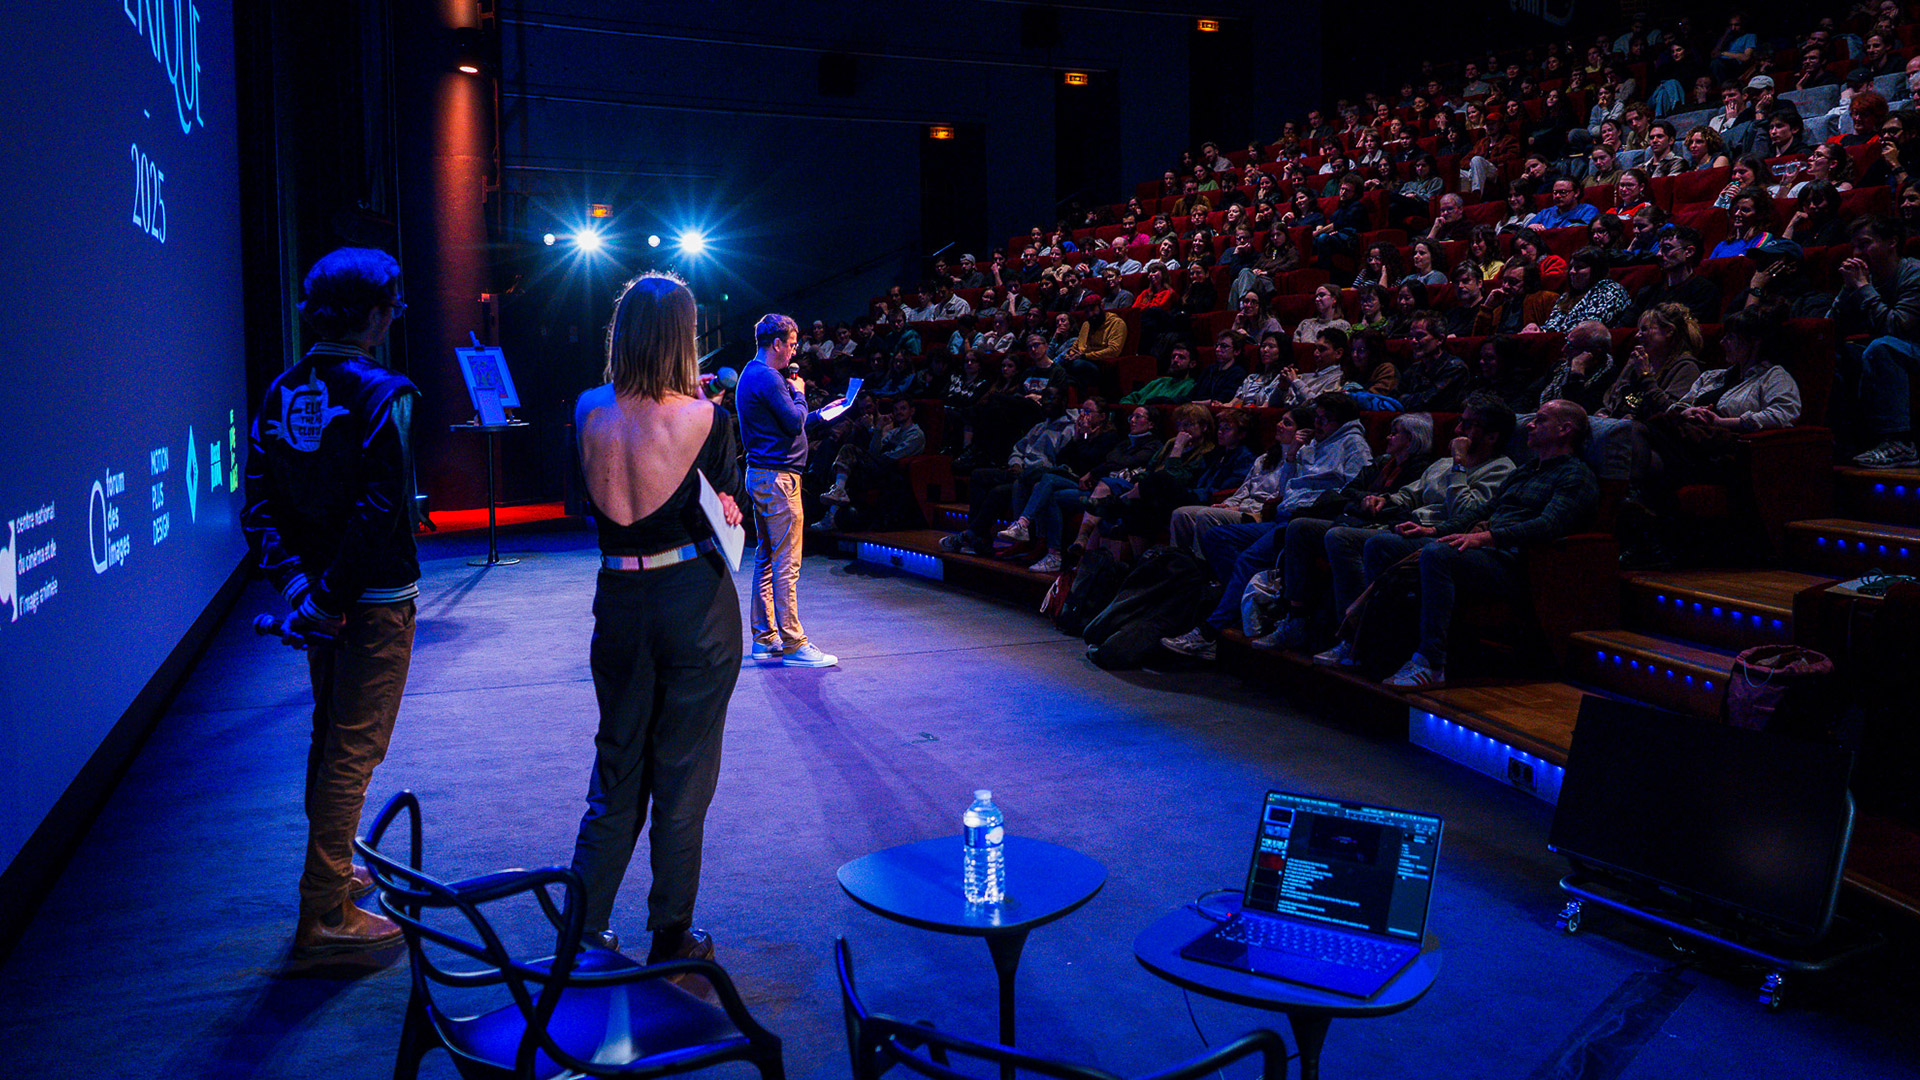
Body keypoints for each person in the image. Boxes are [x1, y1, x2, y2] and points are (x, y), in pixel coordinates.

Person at [563, 272, 746, 964]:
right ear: (683, 336)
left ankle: (583, 930)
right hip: (692, 603)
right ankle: (671, 932)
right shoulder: (708, 418)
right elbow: (733, 514)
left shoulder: (585, 409)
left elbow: (578, 500)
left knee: (616, 768)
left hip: (617, 598)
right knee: (684, 772)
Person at [243, 247, 419, 957]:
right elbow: (382, 509)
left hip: (326, 605)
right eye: (393, 306)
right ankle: (324, 915)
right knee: (354, 747)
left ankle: (334, 875)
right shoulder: (385, 392)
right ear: (374, 314)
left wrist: (303, 593)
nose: (395, 318)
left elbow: (258, 505)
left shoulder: (279, 391)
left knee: (329, 739)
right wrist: (328, 595)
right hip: (371, 600)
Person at [1318, 400, 1599, 689]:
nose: (1529, 424)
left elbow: (1549, 525)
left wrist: (1484, 537)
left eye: (1540, 420)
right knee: (1383, 544)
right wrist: (1432, 528)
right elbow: (1480, 513)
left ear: (1565, 430)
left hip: (1518, 562)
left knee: (1438, 554)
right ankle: (1372, 646)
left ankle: (1431, 662)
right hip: (1484, 550)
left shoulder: (1575, 475)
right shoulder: (1526, 471)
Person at [1275, 398, 1516, 651]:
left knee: (1341, 538)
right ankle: (1297, 620)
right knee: (1301, 527)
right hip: (1403, 523)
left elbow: (1466, 512)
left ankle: (1353, 637)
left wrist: (1459, 464)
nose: (1457, 431)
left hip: (1437, 535)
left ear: (1491, 437)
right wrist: (1382, 498)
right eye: (1460, 422)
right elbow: (1411, 494)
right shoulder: (1442, 463)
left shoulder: (1500, 469)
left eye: (1468, 425)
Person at [737, 313, 839, 668]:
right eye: (792, 344)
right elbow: (794, 420)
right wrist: (801, 395)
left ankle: (765, 639)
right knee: (786, 564)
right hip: (778, 482)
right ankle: (795, 644)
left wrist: (820, 414)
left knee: (767, 559)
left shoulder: (752, 374)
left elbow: (789, 425)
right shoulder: (769, 378)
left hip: (763, 476)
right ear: (777, 343)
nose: (794, 351)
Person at [1833, 216, 1920, 467]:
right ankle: (1847, 441)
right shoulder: (1865, 278)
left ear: (1892, 242)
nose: (1856, 253)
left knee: (1883, 347)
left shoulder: (1913, 273)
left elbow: (1897, 329)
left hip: (1911, 345)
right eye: (1854, 247)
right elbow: (1832, 327)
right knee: (1837, 354)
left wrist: (1862, 288)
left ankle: (1900, 443)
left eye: (1864, 244)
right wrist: (1847, 291)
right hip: (1888, 347)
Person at [1618, 223, 1723, 326]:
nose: (1658, 254)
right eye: (1659, 248)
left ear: (1689, 252)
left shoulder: (1705, 292)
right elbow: (1625, 326)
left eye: (1667, 248)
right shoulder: (1647, 292)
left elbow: (1691, 332)